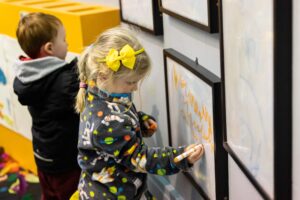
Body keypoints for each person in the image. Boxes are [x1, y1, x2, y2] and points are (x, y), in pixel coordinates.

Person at [73, 27, 204, 200]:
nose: (135, 87)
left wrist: (140, 121)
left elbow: (119, 116)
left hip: (108, 187)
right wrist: (180, 157)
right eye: (131, 82)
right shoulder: (107, 121)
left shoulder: (99, 91)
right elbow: (141, 159)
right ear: (104, 76)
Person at [13, 12, 80, 200]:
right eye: (64, 40)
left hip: (43, 155)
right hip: (65, 161)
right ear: (50, 48)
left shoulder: (26, 77)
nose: (67, 44)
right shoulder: (64, 81)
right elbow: (81, 85)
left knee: (50, 195)